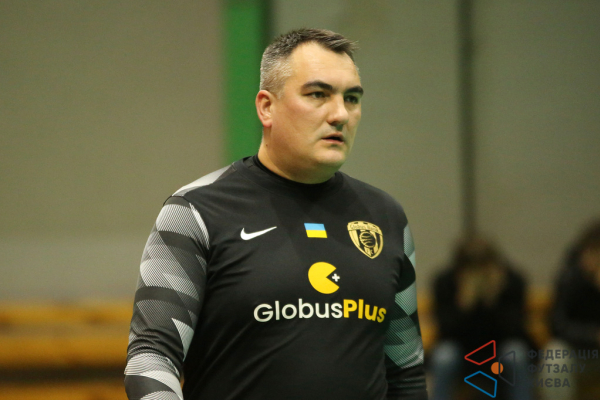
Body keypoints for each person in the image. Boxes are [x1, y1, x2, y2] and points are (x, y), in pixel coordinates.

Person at [124, 28, 427, 400]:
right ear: (267, 107)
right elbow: (151, 360)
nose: (340, 114)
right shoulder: (193, 212)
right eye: (318, 95)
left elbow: (405, 370)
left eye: (351, 98)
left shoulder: (386, 218)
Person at [430, 235, 532, 400]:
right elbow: (445, 330)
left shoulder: (511, 281)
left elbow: (516, 329)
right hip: (461, 348)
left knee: (516, 354)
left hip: (500, 346)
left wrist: (493, 300)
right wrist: (464, 304)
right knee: (444, 357)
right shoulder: (445, 282)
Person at [540, 219, 600, 400]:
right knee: (555, 358)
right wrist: (592, 335)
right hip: (577, 350)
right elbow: (557, 325)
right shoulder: (570, 279)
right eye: (592, 253)